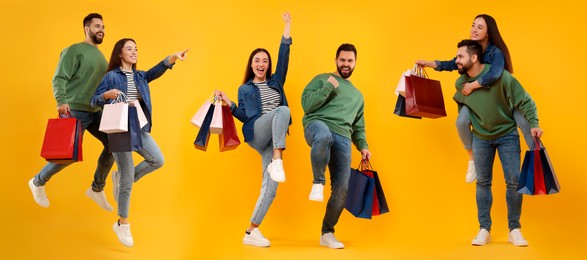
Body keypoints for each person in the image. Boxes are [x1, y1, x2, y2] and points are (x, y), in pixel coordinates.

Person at [90, 38, 188, 247]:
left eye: (136, 49)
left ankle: (123, 178)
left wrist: (173, 57)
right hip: (118, 129)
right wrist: (107, 94)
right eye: (129, 49)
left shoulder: (140, 76)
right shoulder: (111, 76)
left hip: (137, 125)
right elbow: (94, 99)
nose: (134, 52)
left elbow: (158, 69)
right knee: (126, 179)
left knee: (157, 160)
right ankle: (122, 223)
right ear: (120, 54)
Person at [416, 14, 532, 183]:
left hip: (500, 98)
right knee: (461, 122)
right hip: (476, 99)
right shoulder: (470, 49)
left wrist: (472, 86)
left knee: (522, 122)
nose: (474, 30)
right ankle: (473, 158)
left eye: (480, 27)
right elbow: (452, 63)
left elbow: (495, 74)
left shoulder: (495, 52)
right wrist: (428, 63)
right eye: (473, 25)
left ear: (488, 33)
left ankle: (538, 157)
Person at [452, 39, 542, 247]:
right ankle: (484, 229)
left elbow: (525, 101)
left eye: (459, 56)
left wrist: (535, 123)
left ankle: (514, 229)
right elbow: (462, 108)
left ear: (474, 58)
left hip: (507, 135)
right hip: (481, 138)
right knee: (482, 183)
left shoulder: (501, 76)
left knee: (513, 181)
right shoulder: (460, 84)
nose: (455, 60)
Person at [214, 12, 292, 248]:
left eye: (265, 61)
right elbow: (245, 117)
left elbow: (284, 56)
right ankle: (278, 158)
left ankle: (251, 231)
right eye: (257, 60)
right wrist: (230, 103)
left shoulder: (276, 81)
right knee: (283, 111)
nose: (261, 64)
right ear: (251, 64)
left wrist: (287, 26)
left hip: (273, 135)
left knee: (271, 186)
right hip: (257, 131)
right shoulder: (245, 88)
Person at [28, 13, 115, 211]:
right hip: (76, 109)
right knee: (69, 154)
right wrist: (61, 101)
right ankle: (38, 181)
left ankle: (97, 188)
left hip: (96, 109)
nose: (101, 30)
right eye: (97, 26)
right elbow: (59, 77)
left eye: (103, 27)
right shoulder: (74, 50)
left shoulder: (101, 56)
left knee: (114, 144)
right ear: (87, 29)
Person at [301, 43, 372, 249]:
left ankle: (327, 233)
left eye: (350, 60)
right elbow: (307, 105)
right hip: (317, 125)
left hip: (343, 136)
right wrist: (328, 87)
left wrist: (363, 146)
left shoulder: (358, 96)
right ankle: (318, 182)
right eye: (342, 60)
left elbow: (358, 126)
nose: (346, 64)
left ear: (355, 62)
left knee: (342, 189)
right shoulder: (322, 79)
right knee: (323, 136)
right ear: (336, 60)